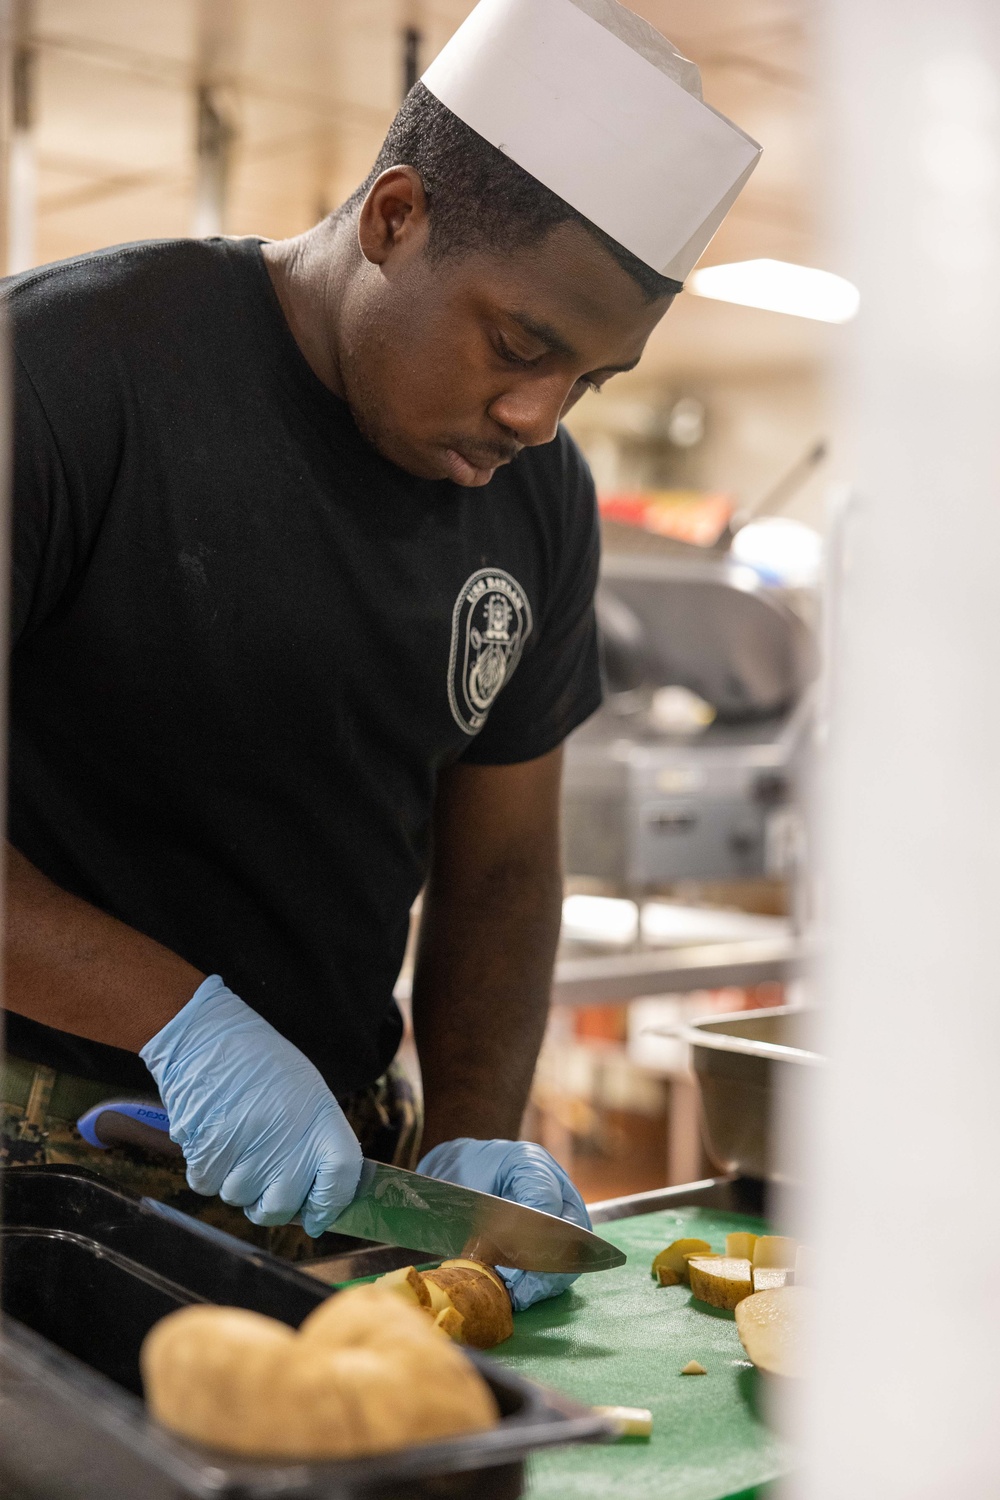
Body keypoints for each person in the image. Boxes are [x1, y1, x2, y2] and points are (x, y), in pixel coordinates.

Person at [1, 0, 759, 1308]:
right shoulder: (67, 375)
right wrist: (179, 1021)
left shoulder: (541, 505)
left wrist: (469, 1143)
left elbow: (505, 864)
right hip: (34, 1167)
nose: (537, 415)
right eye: (521, 346)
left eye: (588, 380)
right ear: (394, 217)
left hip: (335, 1187)